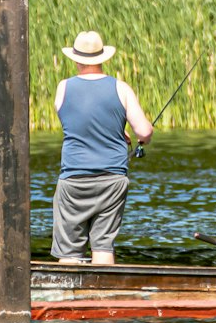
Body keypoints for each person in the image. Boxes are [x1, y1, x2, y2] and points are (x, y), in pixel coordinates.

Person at [51, 30, 153, 265]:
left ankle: (67, 299)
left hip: (73, 179)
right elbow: (144, 131)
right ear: (102, 58)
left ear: (76, 59)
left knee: (69, 251)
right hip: (111, 180)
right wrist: (133, 136)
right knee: (103, 244)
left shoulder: (63, 87)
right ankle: (102, 297)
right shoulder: (121, 88)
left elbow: (80, 122)